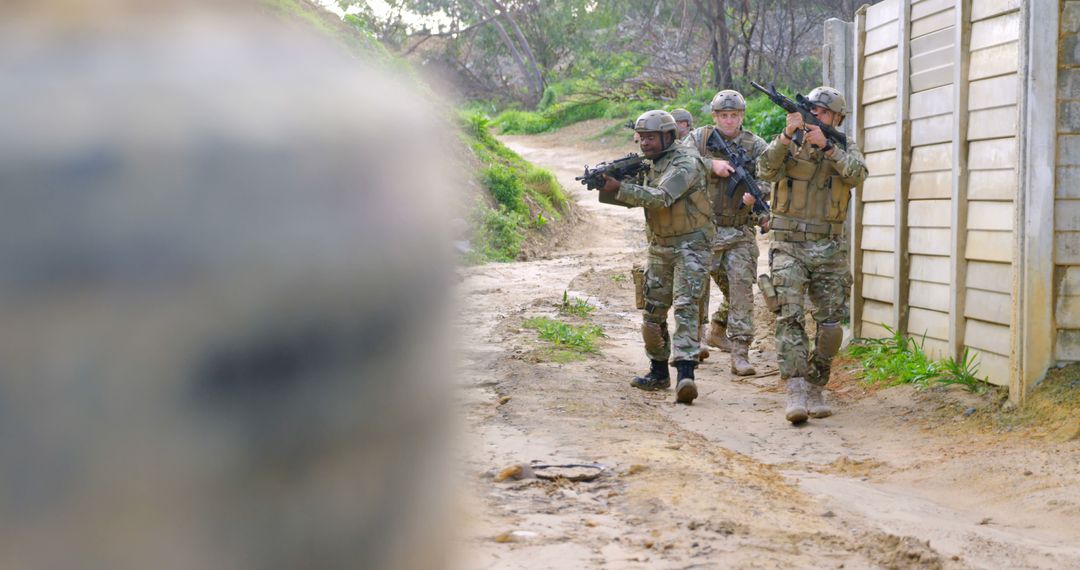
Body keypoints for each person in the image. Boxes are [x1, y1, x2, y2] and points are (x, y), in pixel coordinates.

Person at [757, 86, 868, 423]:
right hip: (789, 244)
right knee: (789, 316)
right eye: (813, 111)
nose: (815, 116)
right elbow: (764, 170)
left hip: (830, 246)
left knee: (831, 323)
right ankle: (795, 388)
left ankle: (817, 384)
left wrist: (828, 147)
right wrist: (786, 136)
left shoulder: (844, 146)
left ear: (836, 118)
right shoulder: (789, 142)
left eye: (822, 112)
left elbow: (858, 175)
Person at [601, 110, 713, 404]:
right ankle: (658, 371)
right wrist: (607, 186)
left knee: (686, 307)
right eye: (642, 137)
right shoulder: (651, 163)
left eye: (651, 137)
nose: (644, 143)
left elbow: (661, 197)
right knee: (652, 312)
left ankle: (686, 374)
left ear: (668, 136)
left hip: (692, 245)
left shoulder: (685, 162)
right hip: (660, 246)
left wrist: (621, 188)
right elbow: (636, 197)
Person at [688, 89, 768, 377]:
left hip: (738, 230)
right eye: (724, 115)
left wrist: (757, 195)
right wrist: (712, 165)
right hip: (702, 228)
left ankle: (740, 352)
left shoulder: (755, 145)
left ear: (742, 116)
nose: (729, 120)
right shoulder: (700, 139)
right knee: (695, 289)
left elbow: (771, 175)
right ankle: (694, 342)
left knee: (742, 291)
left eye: (734, 115)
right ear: (715, 116)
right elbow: (678, 162)